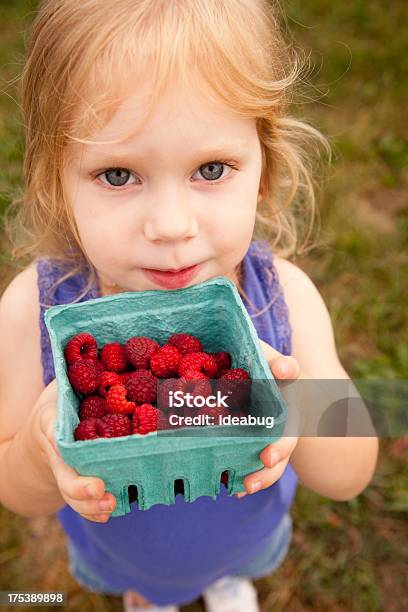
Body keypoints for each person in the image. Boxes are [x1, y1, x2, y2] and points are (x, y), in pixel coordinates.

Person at [0, 1, 379, 611]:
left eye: (210, 168)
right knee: (143, 584)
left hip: (245, 533)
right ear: (55, 182)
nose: (172, 226)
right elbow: (18, 492)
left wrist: (288, 397)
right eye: (119, 175)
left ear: (262, 169)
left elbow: (349, 473)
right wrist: (42, 450)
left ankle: (226, 580)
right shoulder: (32, 314)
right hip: (117, 545)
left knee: (236, 563)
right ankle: (151, 594)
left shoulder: (286, 303)